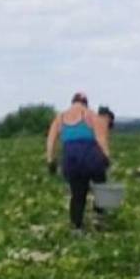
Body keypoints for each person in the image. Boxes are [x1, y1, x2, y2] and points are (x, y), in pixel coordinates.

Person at [45, 92, 111, 234]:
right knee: (102, 185)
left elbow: (51, 141)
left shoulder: (60, 118)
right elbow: (101, 139)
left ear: (72, 102)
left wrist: (51, 160)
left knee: (77, 194)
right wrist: (106, 156)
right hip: (90, 156)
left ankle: (77, 228)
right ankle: (99, 217)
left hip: (70, 159)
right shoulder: (90, 115)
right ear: (85, 103)